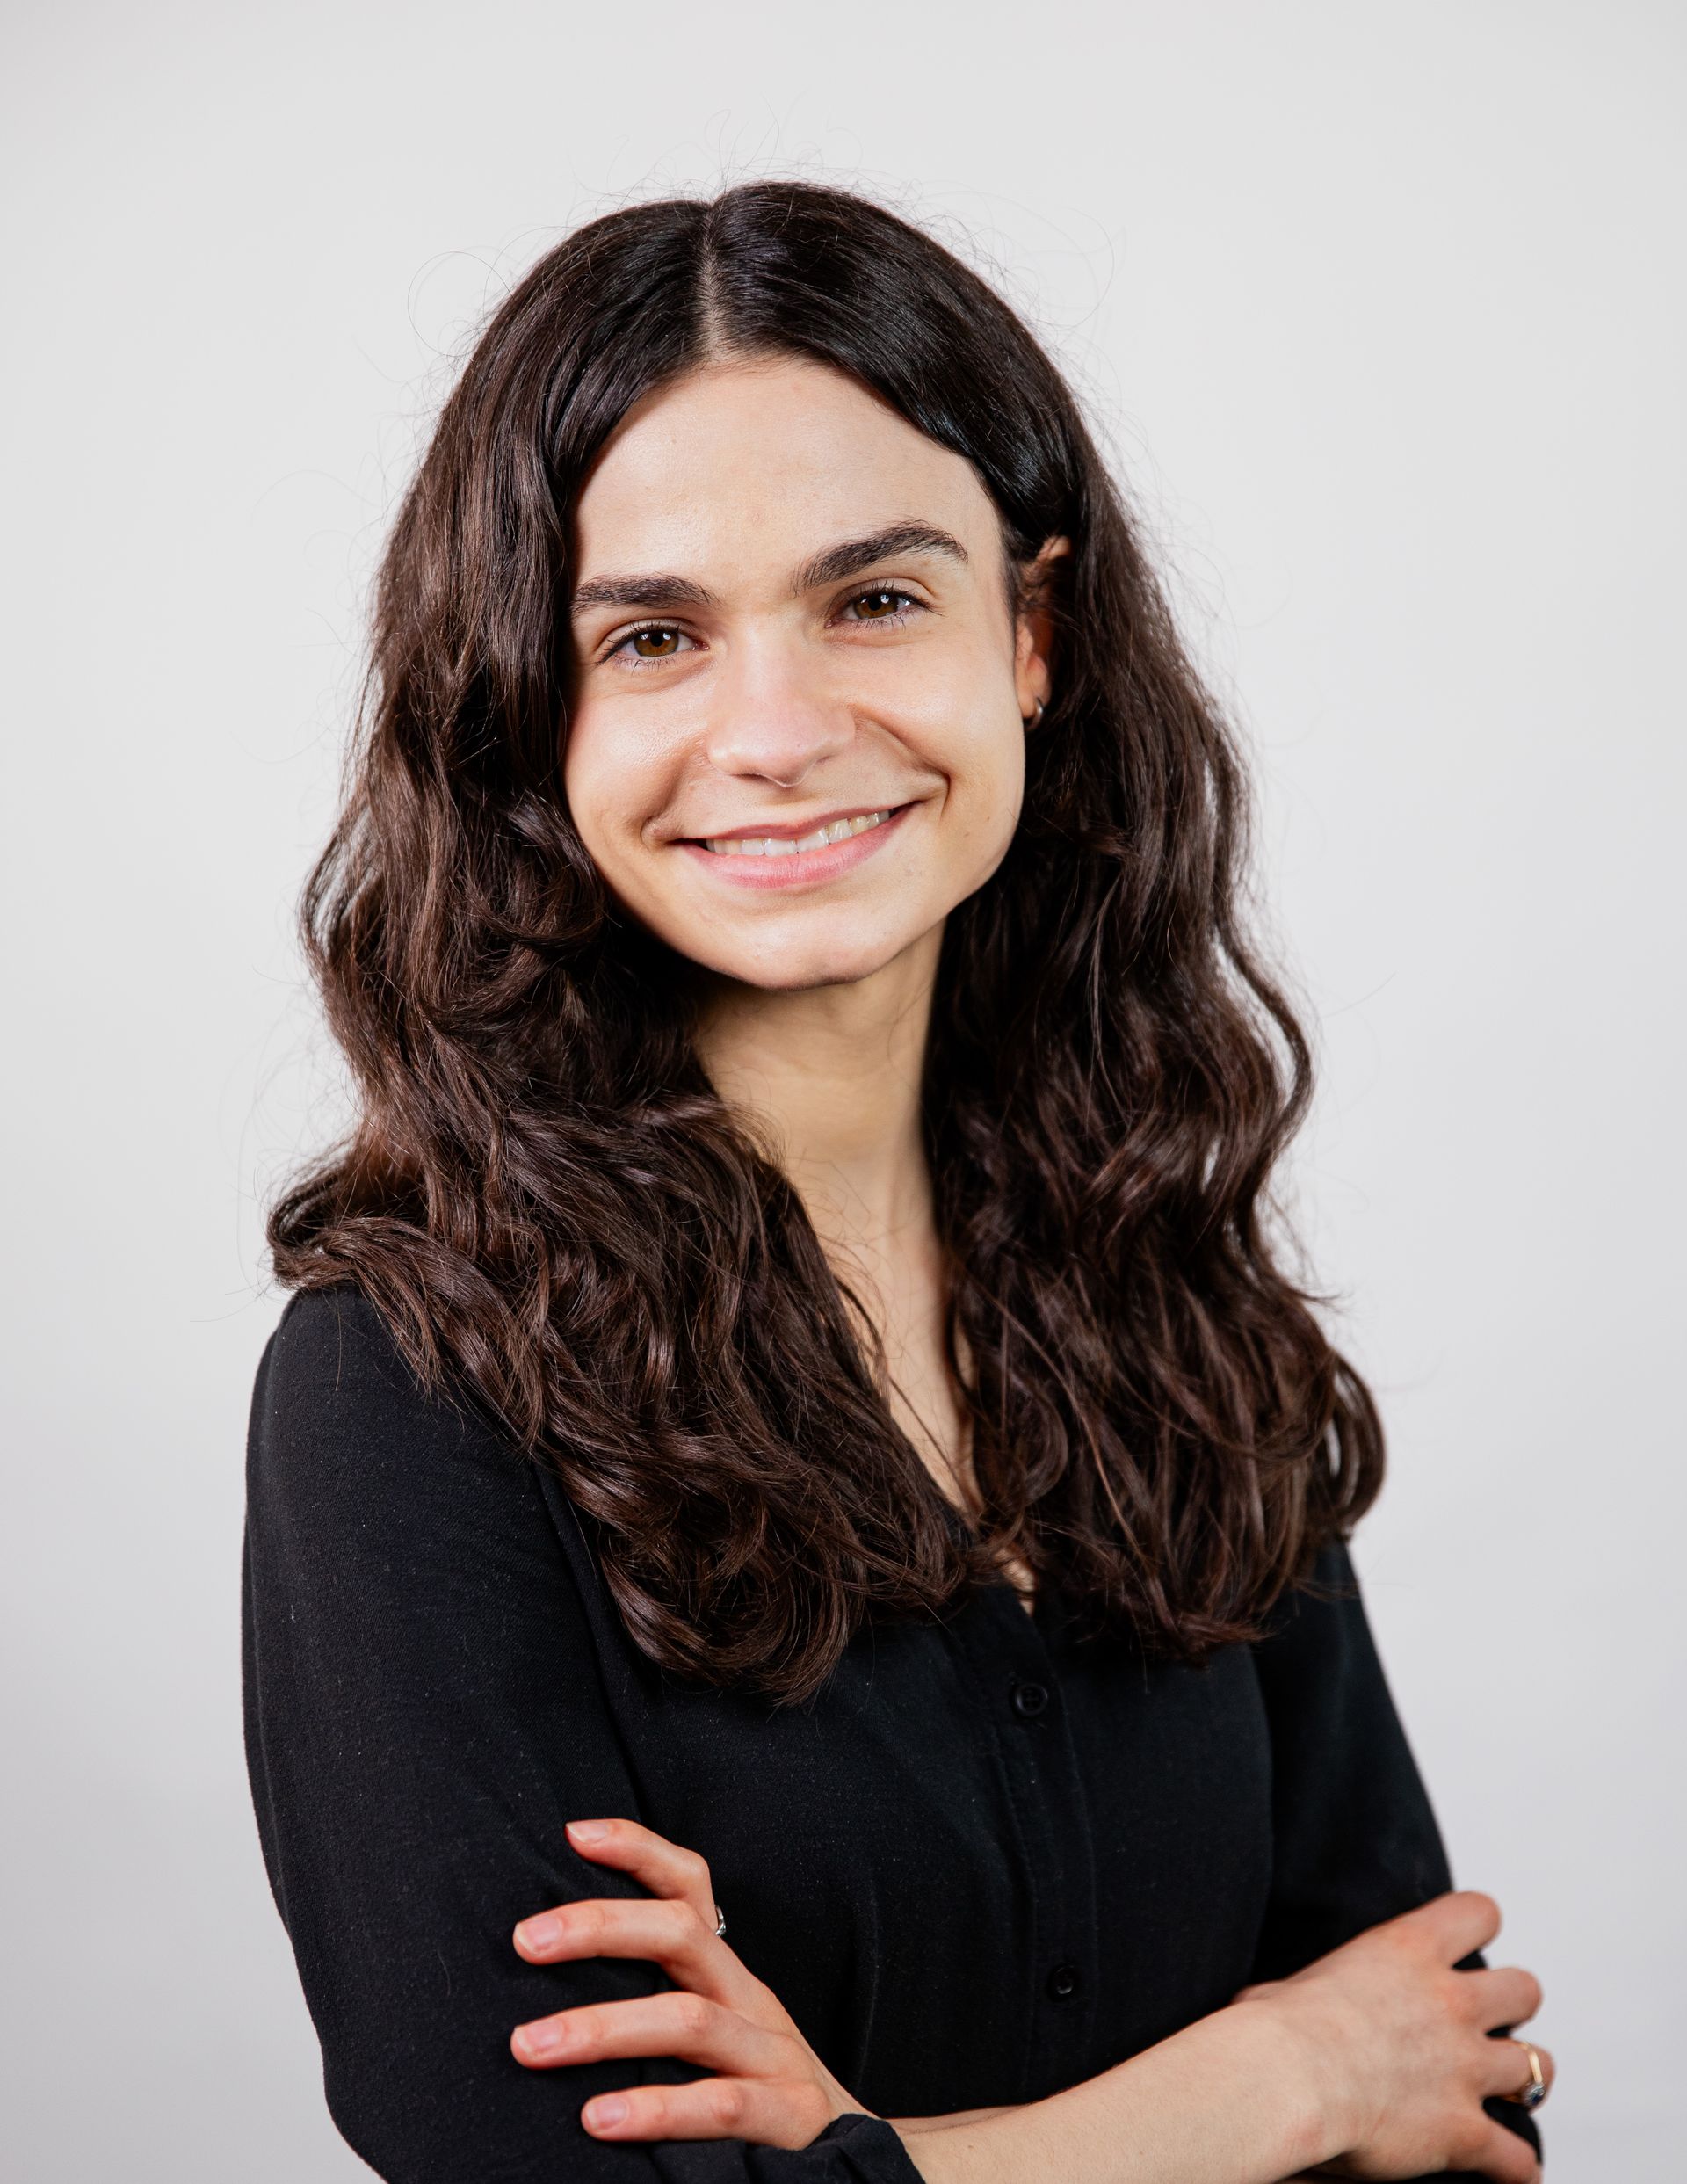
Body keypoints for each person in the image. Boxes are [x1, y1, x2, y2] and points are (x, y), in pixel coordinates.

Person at [243, 180, 1553, 2184]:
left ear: (1029, 633)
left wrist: (862, 2156)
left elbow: (1450, 2083)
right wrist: (1268, 2086)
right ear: (532, 715)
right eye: (654, 635)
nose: (775, 731)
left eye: (874, 599)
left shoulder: (1168, 1281)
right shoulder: (411, 1393)